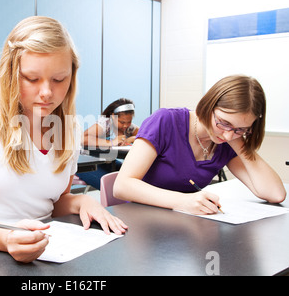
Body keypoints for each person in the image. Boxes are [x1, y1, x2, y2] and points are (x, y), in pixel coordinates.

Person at [0, 16, 127, 263]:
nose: (46, 93)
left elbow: (53, 203)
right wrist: (5, 237)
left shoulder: (70, 127)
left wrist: (81, 201)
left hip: (42, 249)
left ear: (72, 75)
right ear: (11, 72)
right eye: (31, 79)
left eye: (59, 79)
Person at [114, 75, 286, 215]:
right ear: (209, 105)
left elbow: (275, 194)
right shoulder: (166, 121)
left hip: (184, 224)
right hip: (141, 220)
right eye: (223, 122)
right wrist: (182, 201)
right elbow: (122, 186)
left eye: (241, 129)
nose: (227, 135)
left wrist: (239, 140)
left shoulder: (228, 141)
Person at [77, 98, 139, 190]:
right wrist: (111, 142)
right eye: (122, 122)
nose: (125, 125)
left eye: (129, 122)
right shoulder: (105, 123)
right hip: (84, 163)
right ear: (113, 117)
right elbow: (83, 139)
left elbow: (146, 136)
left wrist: (132, 139)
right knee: (112, 187)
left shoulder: (129, 127)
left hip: (106, 161)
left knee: (132, 179)